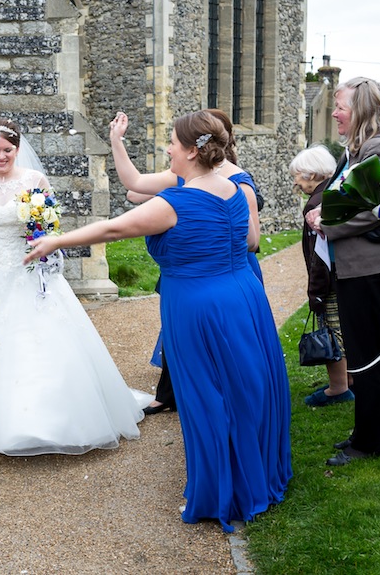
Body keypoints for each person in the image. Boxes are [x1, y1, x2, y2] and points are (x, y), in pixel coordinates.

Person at [27, 111, 291, 531]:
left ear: (191, 150)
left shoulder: (175, 204)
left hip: (196, 305)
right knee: (247, 387)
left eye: (171, 142)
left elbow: (112, 230)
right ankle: (254, 476)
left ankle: (221, 491)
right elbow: (251, 242)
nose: (167, 148)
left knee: (206, 395)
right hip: (243, 295)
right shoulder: (236, 189)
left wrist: (56, 239)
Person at [0, 120, 149, 458]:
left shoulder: (34, 180)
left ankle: (53, 418)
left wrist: (42, 244)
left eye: (8, 150)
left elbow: (49, 227)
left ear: (18, 149)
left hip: (28, 272)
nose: (1, 156)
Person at [109, 107, 262, 414]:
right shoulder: (183, 176)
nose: (170, 148)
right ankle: (183, 399)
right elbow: (135, 183)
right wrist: (116, 140)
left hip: (224, 272)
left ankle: (225, 409)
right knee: (185, 340)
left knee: (227, 350)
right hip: (186, 272)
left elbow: (252, 241)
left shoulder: (238, 183)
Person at [303, 77, 380, 466]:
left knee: (366, 356)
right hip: (368, 266)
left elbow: (369, 208)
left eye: (341, 106)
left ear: (362, 109)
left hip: (372, 267)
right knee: (367, 352)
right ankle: (369, 431)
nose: (334, 113)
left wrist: (325, 223)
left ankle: (369, 442)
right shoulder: (368, 146)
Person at [288, 144, 353, 408]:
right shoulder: (335, 192)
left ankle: (338, 389)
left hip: (330, 280)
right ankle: (350, 379)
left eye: (298, 176)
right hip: (346, 276)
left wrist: (315, 291)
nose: (296, 182)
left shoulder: (316, 203)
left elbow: (319, 256)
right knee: (346, 331)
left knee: (332, 332)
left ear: (312, 174)